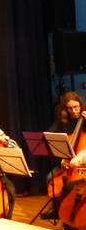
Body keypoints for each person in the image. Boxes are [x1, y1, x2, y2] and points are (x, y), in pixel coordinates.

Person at [41, 92, 86, 220]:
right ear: (65, 108)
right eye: (70, 108)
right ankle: (57, 209)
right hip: (67, 164)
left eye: (76, 107)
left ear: (80, 105)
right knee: (50, 178)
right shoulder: (62, 121)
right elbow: (49, 135)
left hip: (82, 165)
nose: (74, 111)